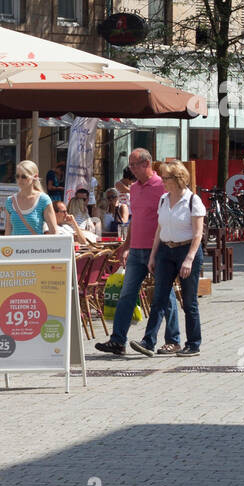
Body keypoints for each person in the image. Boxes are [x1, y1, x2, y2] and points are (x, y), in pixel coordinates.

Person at [95, 149, 167, 356]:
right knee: (127, 294)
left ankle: (173, 339)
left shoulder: (162, 186)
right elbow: (135, 220)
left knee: (164, 296)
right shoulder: (134, 189)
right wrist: (126, 245)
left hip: (158, 249)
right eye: (130, 165)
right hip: (136, 250)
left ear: (146, 164)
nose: (131, 169)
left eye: (134, 165)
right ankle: (118, 340)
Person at [137, 161, 207, 357]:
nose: (163, 182)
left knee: (189, 301)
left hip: (186, 250)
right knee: (158, 298)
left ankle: (193, 344)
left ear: (177, 179)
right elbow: (160, 229)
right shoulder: (163, 200)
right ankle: (148, 341)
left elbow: (197, 234)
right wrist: (153, 255)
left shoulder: (193, 201)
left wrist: (189, 259)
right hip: (165, 251)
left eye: (166, 178)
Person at [3, 160, 57, 236]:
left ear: (35, 177)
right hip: (15, 247)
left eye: (24, 176)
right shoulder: (10, 201)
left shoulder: (43, 200)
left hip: (36, 247)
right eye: (17, 176)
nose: (20, 180)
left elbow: (54, 232)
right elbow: (8, 231)